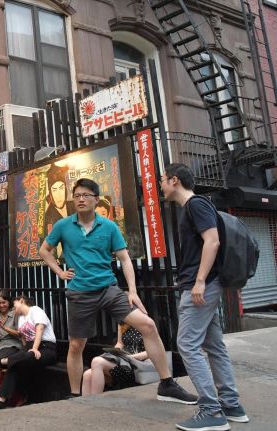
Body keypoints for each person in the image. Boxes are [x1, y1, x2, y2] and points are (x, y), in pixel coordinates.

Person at [39, 178, 196, 404]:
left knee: (148, 325)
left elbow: (124, 258)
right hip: (79, 293)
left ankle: (167, 384)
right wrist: (60, 272)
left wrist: (132, 291)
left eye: (86, 195)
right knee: (75, 345)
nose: (81, 199)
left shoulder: (109, 227)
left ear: (96, 199)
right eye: (77, 195)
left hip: (108, 289)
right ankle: (74, 396)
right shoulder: (63, 226)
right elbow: (44, 250)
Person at [161, 163, 248, 431]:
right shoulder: (194, 207)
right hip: (205, 284)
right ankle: (231, 405)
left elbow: (212, 241)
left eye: (163, 180)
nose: (161, 185)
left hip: (200, 286)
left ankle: (211, 410)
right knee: (214, 346)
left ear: (174, 180)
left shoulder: (195, 205)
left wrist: (199, 281)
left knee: (187, 344)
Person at [0, 296, 56, 410]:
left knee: (29, 355)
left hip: (45, 348)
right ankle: (1, 401)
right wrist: (24, 351)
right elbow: (23, 337)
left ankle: (0, 362)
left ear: (21, 301)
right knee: (14, 365)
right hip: (29, 348)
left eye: (14, 305)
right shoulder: (21, 317)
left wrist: (35, 348)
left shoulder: (35, 310)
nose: (13, 309)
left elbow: (40, 330)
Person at [82, 322, 146, 396]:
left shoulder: (147, 323)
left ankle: (96, 400)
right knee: (87, 374)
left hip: (138, 365)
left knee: (97, 361)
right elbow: (120, 343)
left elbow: (152, 352)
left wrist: (132, 357)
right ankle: (87, 402)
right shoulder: (122, 322)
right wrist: (115, 352)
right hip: (123, 359)